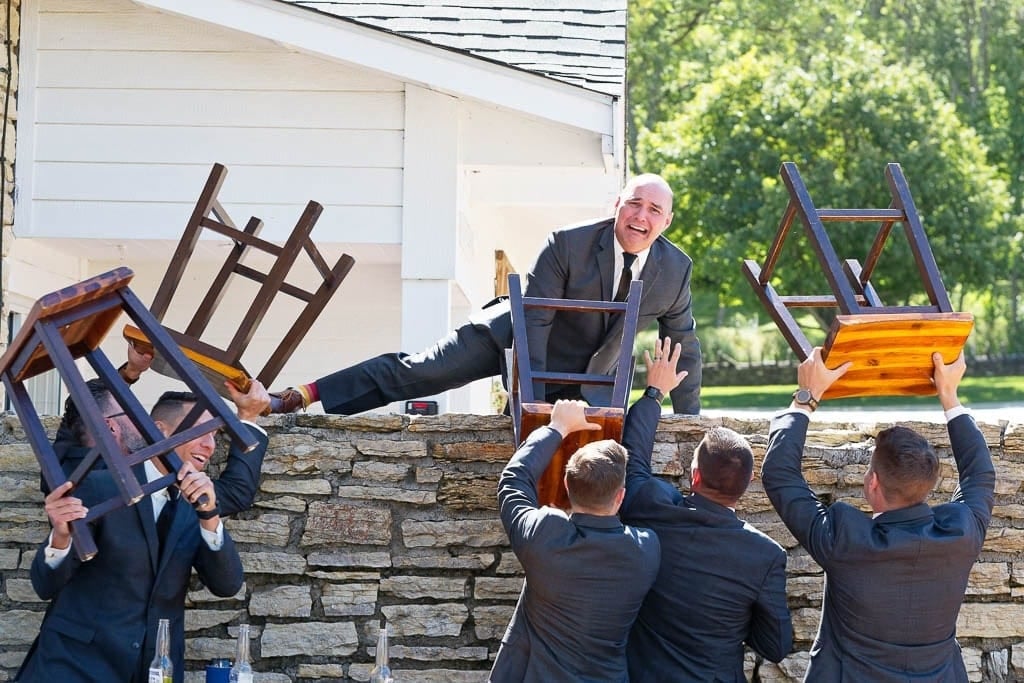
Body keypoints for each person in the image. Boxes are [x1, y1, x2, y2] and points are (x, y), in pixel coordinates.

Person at [269, 173, 703, 416]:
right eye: (634, 204)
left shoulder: (675, 270)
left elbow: (686, 348)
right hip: (511, 338)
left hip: (591, 375)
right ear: (616, 205)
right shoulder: (568, 244)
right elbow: (535, 321)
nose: (640, 216)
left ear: (666, 222)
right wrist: (528, 400)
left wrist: (689, 423)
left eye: (653, 210)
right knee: (419, 372)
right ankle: (300, 395)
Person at [761, 348, 995, 681]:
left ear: (872, 482)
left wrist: (806, 398)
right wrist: (950, 396)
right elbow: (981, 474)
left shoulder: (844, 539)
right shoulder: (961, 533)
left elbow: (780, 475)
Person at [17, 386, 245, 683]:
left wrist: (210, 516)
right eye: (202, 431)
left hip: (153, 672)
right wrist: (60, 539)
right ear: (161, 431)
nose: (210, 445)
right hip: (74, 668)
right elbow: (45, 585)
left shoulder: (198, 504)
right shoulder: (102, 486)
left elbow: (227, 585)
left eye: (215, 435)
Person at [618, 337, 792, 680]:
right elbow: (775, 646)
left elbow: (633, 461)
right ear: (748, 482)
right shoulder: (764, 555)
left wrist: (655, 393)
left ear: (694, 474)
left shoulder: (651, 507)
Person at [489, 395, 662, 681]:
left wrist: (556, 427)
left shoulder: (545, 534)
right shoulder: (646, 549)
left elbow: (513, 482)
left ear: (567, 485)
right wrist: (653, 396)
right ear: (620, 496)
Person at [48, 343, 272, 517]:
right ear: (109, 426)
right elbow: (234, 494)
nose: (143, 420)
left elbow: (79, 411)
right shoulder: (112, 481)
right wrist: (248, 417)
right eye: (132, 412)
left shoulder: (64, 466)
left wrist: (130, 372)